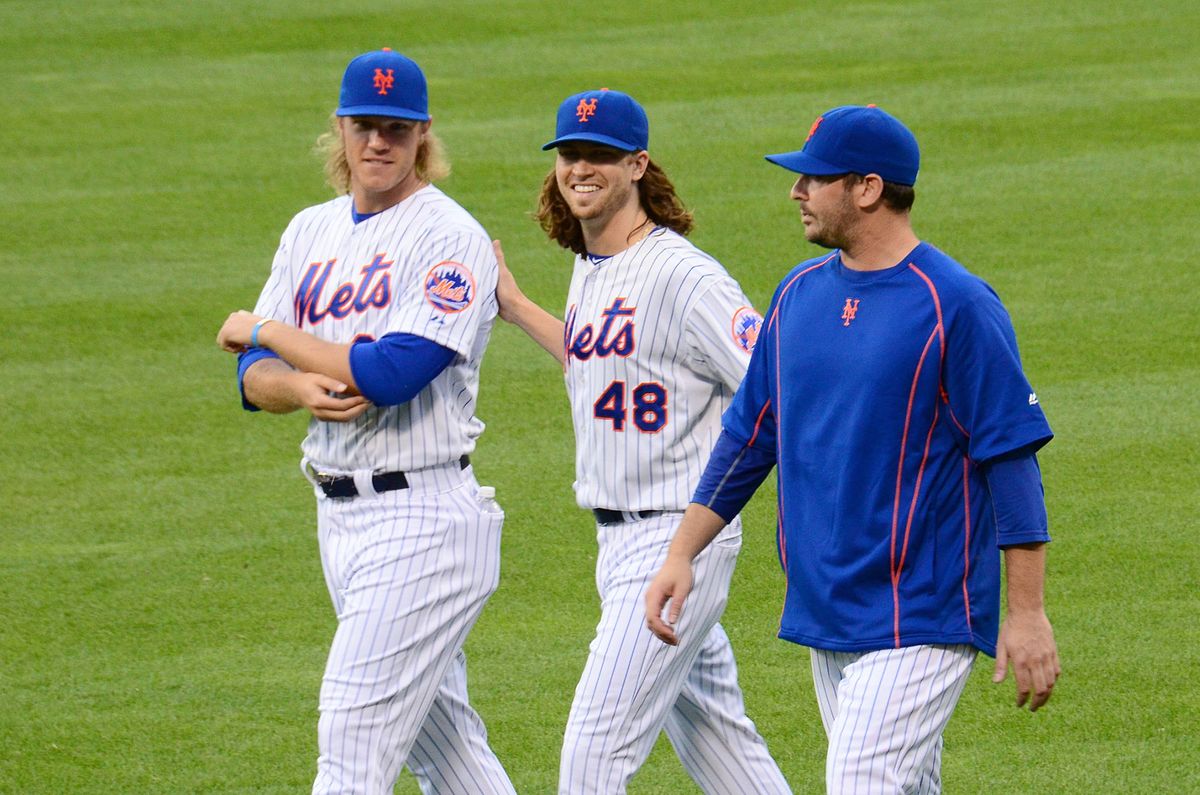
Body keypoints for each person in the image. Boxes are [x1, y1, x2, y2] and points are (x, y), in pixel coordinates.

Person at [644, 104, 1061, 793]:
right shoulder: (797, 296)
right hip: (828, 609)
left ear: (867, 188)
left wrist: (1026, 612)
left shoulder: (954, 303)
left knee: (860, 779)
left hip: (922, 611)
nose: (796, 191)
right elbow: (750, 438)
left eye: (814, 177)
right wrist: (681, 552)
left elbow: (1010, 458)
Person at [216, 49, 515, 795]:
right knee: (445, 750)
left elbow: (391, 373)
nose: (378, 143)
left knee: (350, 740)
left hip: (424, 520)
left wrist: (267, 330)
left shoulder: (449, 237)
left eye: (396, 128)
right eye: (364, 127)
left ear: (423, 135)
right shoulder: (308, 230)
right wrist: (300, 388)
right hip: (341, 519)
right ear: (339, 131)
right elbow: (251, 381)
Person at [494, 88, 791, 794]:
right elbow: (603, 362)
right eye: (571, 154)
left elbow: (774, 384)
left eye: (600, 155)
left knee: (591, 758)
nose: (581, 168)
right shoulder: (592, 262)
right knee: (722, 747)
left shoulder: (683, 275)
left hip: (676, 540)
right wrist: (515, 307)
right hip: (619, 544)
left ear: (638, 164)